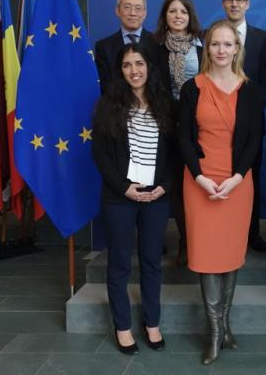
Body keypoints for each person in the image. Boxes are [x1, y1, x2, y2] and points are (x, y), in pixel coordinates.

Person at [178, 20, 262, 365]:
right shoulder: (191, 88)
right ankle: (214, 333)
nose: (222, 51)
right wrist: (200, 177)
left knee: (229, 255)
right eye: (215, 44)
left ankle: (225, 325)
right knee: (207, 258)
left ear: (237, 49)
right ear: (206, 48)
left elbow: (255, 139)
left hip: (236, 184)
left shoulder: (250, 89)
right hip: (200, 182)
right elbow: (182, 137)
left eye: (228, 44)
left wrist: (236, 177)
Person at [92, 43, 173, 355]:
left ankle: (152, 323)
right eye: (127, 65)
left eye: (139, 63)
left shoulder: (165, 104)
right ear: (120, 70)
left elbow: (175, 154)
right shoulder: (107, 105)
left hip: (156, 196)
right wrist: (123, 186)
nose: (134, 70)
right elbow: (99, 154)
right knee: (120, 264)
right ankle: (122, 326)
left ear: (149, 66)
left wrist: (164, 187)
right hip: (119, 197)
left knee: (152, 262)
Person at [152, 0, 203, 267]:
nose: (178, 16)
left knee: (197, 182)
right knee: (174, 185)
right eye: (173, 11)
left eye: (182, 11)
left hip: (199, 123)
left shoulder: (203, 44)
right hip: (166, 124)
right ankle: (184, 241)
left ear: (189, 15)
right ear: (165, 17)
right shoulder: (154, 46)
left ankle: (200, 240)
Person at [221, 0, 266, 253]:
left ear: (248, 4)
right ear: (223, 3)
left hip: (250, 123)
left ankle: (252, 233)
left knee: (247, 178)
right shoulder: (211, 36)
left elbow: (265, 82)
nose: (234, 4)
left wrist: (243, 114)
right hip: (216, 124)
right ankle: (224, 231)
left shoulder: (264, 39)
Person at [95, 0, 155, 95]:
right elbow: (105, 86)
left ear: (144, 13)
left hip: (153, 107)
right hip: (117, 107)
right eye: (127, 7)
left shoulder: (158, 43)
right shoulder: (103, 47)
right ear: (117, 11)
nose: (132, 13)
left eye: (138, 8)